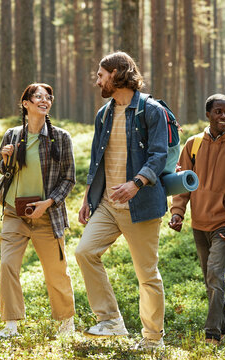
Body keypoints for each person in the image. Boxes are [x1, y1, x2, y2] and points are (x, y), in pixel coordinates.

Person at [75, 51, 168, 350]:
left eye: (102, 74)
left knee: (147, 274)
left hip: (140, 205)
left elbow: (158, 154)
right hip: (106, 204)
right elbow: (96, 161)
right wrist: (88, 197)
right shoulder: (103, 114)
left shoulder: (151, 110)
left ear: (117, 74)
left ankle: (153, 339)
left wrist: (136, 183)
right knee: (85, 252)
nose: (98, 80)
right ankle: (111, 320)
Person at [168, 94, 225, 345]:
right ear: (208, 114)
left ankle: (212, 333)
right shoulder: (193, 145)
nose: (224, 117)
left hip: (224, 225)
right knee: (210, 278)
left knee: (215, 275)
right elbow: (182, 183)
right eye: (218, 112)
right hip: (199, 224)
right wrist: (177, 212)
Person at [0, 83, 76, 337]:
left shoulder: (61, 137)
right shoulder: (12, 134)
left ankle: (65, 324)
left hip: (47, 215)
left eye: (48, 97)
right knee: (8, 265)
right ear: (26, 104)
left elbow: (69, 178)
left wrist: (48, 203)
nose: (44, 100)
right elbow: (3, 169)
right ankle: (11, 325)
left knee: (56, 271)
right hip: (13, 213)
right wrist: (5, 159)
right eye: (38, 96)